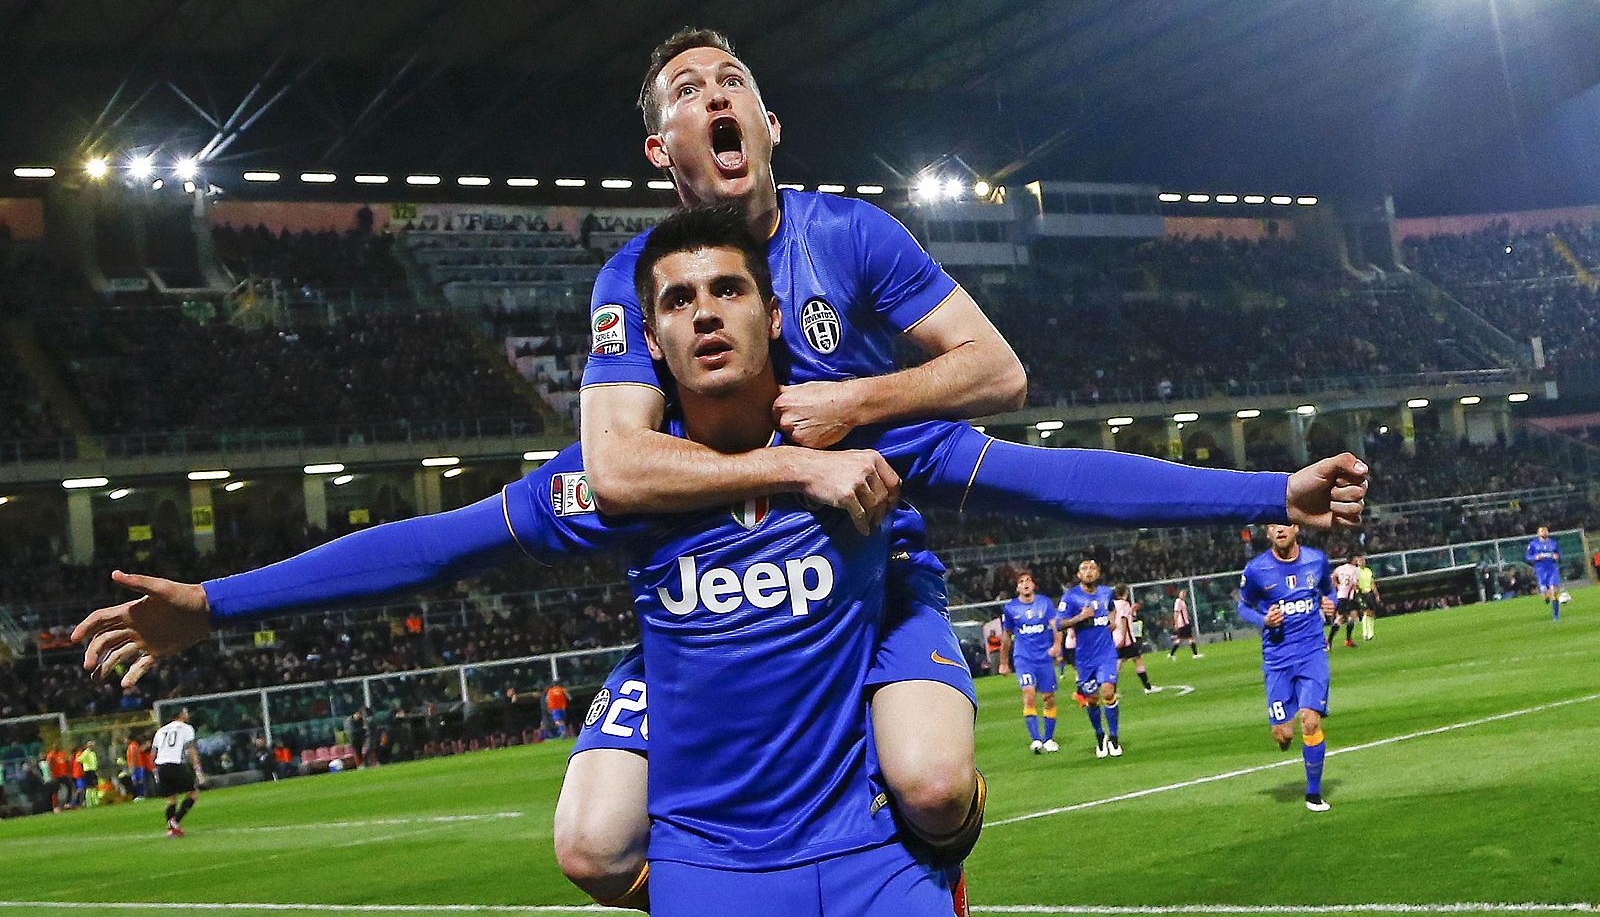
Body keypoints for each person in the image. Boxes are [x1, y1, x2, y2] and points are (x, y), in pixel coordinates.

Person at [75, 208, 1366, 912]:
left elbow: (1065, 483)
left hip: (874, 866)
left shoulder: (868, 449)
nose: (703, 314)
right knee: (586, 846)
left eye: (726, 292)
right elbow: (431, 549)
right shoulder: (621, 489)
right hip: (709, 873)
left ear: (771, 313)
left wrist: (1273, 490)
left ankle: (953, 836)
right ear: (648, 337)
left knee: (932, 787)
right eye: (676, 302)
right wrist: (215, 606)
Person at [565, 30, 1365, 907]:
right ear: (658, 148)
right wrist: (795, 463)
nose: (716, 97)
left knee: (934, 786)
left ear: (769, 122)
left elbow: (1004, 384)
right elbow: (614, 464)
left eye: (733, 83)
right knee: (593, 845)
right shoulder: (637, 281)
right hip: (710, 613)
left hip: (873, 577)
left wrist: (856, 404)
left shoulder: (853, 242)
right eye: (688, 90)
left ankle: (918, 872)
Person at [1237, 523, 1335, 812]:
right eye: (1273, 527)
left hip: (1312, 652)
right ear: (1267, 534)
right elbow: (1243, 607)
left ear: (1296, 528)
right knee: (1284, 734)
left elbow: (1329, 593)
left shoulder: (1316, 560)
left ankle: (1313, 794)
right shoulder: (1256, 570)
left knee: (1311, 720)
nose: (1280, 531)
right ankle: (1282, 735)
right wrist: (1263, 621)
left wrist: (1331, 605)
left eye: (1284, 525)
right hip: (1277, 659)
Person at [1059, 559, 1123, 758]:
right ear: (1078, 575)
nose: (1089, 572)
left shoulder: (1106, 592)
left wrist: (1112, 620)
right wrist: (1080, 617)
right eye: (1084, 569)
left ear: (1098, 573)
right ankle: (1099, 735)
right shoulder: (1070, 597)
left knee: (1108, 691)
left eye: (1093, 568)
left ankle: (1113, 737)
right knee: (1092, 699)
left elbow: (1112, 608)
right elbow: (1059, 623)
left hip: (1106, 652)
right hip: (1085, 657)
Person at [998, 572, 1062, 753]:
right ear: (1017, 588)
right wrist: (1003, 663)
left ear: (1034, 585)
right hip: (1024, 658)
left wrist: (1057, 645)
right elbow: (1006, 637)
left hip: (1044, 657)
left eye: (1028, 581)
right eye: (1021, 582)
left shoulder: (1045, 603)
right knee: (1029, 694)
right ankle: (1036, 739)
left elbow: (1056, 626)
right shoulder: (1010, 608)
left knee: (1048, 698)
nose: (1025, 584)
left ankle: (1049, 739)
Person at [151, 708, 204, 837]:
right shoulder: (186, 728)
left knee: (171, 800)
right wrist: (198, 770)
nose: (187, 714)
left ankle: (171, 830)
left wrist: (155, 770)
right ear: (180, 715)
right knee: (193, 793)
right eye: (186, 712)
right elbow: (190, 749)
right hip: (174, 764)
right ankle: (175, 821)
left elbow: (153, 753)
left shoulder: (161, 730)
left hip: (161, 766)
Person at [1112, 585, 1160, 694]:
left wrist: (1132, 610)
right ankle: (1148, 687)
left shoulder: (1113, 604)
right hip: (1126, 639)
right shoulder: (1124, 604)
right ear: (1125, 592)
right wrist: (1124, 639)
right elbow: (1124, 621)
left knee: (1118, 663)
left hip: (1116, 637)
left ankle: (1112, 691)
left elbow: (1127, 619)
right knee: (1137, 660)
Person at [1526, 526, 1563, 621]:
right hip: (1541, 571)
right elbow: (1528, 557)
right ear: (1538, 533)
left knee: (1554, 591)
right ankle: (1546, 597)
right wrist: (1536, 557)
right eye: (1542, 531)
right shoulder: (1533, 544)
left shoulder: (1553, 543)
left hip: (1552, 569)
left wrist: (1557, 556)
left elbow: (1559, 555)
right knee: (1545, 593)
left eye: (1546, 530)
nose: (1544, 532)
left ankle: (1556, 615)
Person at [1329, 556, 1360, 649]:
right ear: (1353, 560)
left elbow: (1333, 576)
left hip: (1341, 595)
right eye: (1356, 559)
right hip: (1349, 596)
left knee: (1352, 617)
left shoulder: (1340, 568)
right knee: (1340, 619)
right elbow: (1355, 585)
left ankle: (1348, 640)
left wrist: (1337, 585)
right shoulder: (1355, 570)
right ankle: (1329, 641)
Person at [1168, 588, 1202, 659]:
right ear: (1179, 594)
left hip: (1185, 623)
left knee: (1181, 640)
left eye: (1184, 594)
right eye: (1182, 593)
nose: (1183, 595)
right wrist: (1176, 623)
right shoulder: (1178, 601)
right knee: (1190, 638)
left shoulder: (1183, 602)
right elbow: (1176, 612)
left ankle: (1171, 654)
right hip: (1183, 624)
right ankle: (1195, 654)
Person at [1354, 554, 1381, 640]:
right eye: (1361, 560)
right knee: (1366, 611)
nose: (1363, 562)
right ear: (1357, 562)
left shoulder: (1368, 570)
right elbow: (1355, 583)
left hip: (1369, 593)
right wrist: (1357, 591)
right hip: (1361, 594)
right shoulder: (1356, 571)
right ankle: (1365, 633)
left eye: (1364, 560)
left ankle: (1371, 632)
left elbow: (1372, 583)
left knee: (1371, 613)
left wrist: (1376, 594)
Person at [127, 734, 147, 799]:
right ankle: (140, 795)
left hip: (136, 767)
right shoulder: (135, 745)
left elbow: (134, 757)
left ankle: (140, 795)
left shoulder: (132, 746)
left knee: (137, 781)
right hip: (138, 766)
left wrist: (132, 767)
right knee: (139, 781)